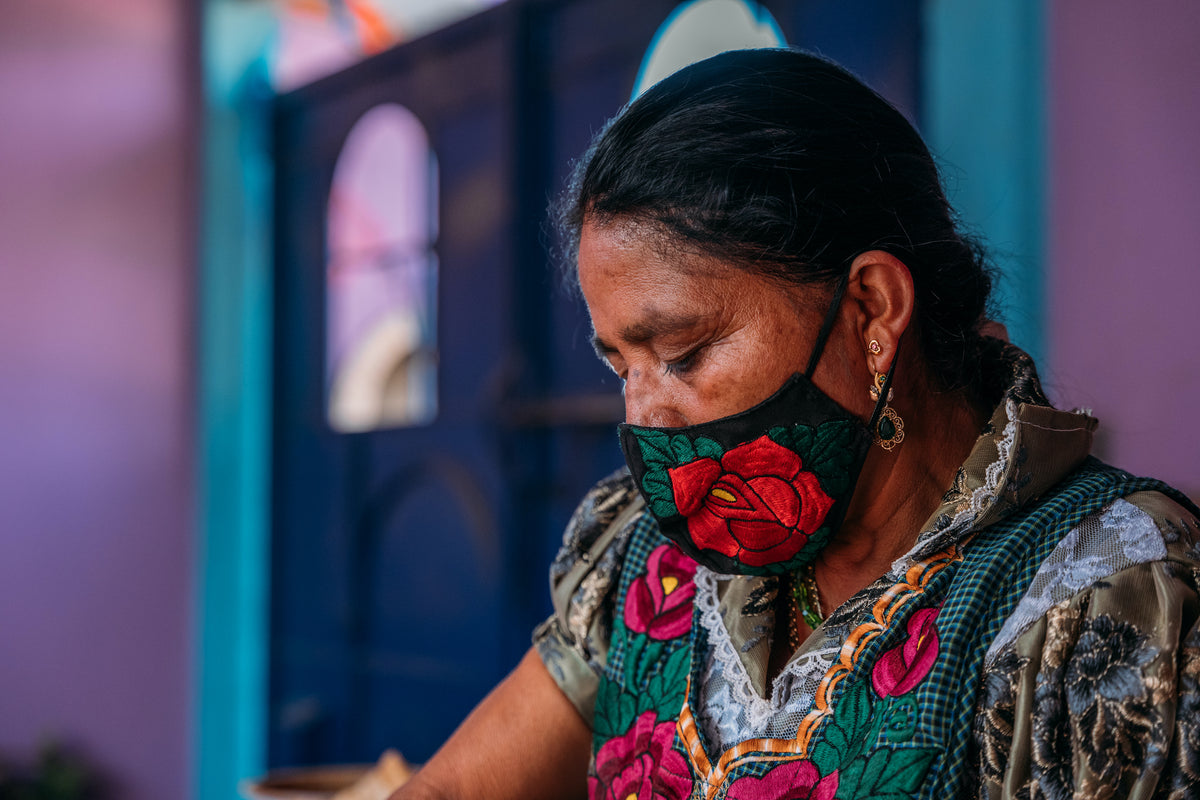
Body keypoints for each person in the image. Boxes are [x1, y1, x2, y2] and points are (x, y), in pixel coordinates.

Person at [393, 48, 1200, 800]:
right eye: (620, 368)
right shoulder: (644, 555)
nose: (645, 416)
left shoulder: (1104, 597)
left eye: (681, 353)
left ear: (871, 309)